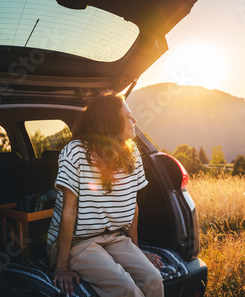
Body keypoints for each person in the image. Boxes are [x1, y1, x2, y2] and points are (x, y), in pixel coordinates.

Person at [46, 93, 165, 296]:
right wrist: (62, 266)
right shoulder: (75, 152)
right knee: (126, 288)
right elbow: (69, 212)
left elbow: (132, 206)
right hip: (78, 242)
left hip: (114, 237)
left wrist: (137, 250)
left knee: (154, 280)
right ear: (110, 122)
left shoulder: (133, 153)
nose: (134, 121)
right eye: (128, 116)